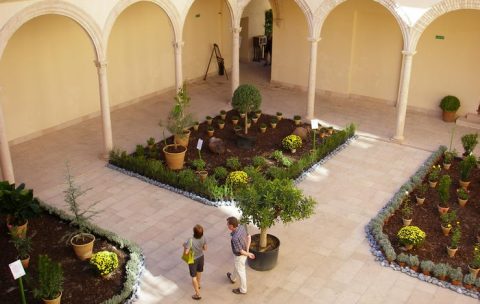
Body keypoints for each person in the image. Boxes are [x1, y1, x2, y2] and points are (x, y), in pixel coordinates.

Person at [225, 216, 255, 295]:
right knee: (237, 266)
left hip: (240, 256)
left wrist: (248, 254)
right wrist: (248, 250)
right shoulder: (242, 226)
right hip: (244, 252)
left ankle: (243, 290)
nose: (227, 225)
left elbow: (241, 251)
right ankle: (233, 278)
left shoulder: (234, 238)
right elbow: (249, 237)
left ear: (231, 226)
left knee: (241, 272)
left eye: (228, 224)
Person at [183, 224, 207, 300]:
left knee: (193, 277)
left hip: (193, 260)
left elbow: (186, 252)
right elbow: (205, 248)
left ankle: (197, 294)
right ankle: (198, 284)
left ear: (194, 232)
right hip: (201, 257)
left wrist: (184, 245)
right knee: (199, 272)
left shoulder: (190, 240)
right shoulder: (203, 238)